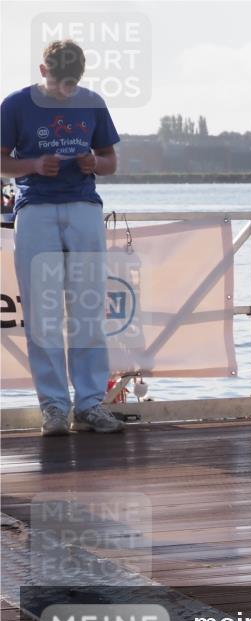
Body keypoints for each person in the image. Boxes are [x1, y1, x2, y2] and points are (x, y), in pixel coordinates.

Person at [1, 39, 124, 436]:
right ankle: (54, 407)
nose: (65, 91)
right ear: (42, 71)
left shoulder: (93, 103)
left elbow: (111, 161)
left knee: (88, 307)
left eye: (71, 83)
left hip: (83, 207)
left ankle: (89, 404)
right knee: (43, 313)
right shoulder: (15, 105)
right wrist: (34, 164)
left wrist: (94, 162)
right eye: (58, 83)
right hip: (35, 209)